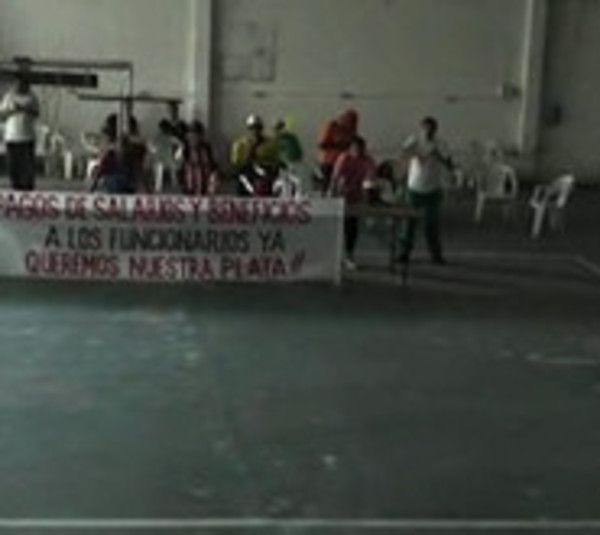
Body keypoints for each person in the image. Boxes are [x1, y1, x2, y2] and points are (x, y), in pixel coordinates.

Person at [398, 117, 453, 265]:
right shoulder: (414, 140)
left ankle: (436, 254)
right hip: (414, 188)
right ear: (421, 128)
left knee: (431, 224)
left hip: (433, 189)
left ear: (435, 130)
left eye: (431, 129)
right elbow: (402, 154)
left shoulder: (441, 143)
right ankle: (404, 252)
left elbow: (449, 164)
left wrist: (437, 155)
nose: (428, 132)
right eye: (425, 129)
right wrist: (412, 153)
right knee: (408, 223)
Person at [330, 136, 376, 271]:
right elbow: (335, 178)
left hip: (356, 198)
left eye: (360, 149)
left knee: (351, 228)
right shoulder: (344, 158)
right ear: (350, 149)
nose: (358, 151)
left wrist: (368, 193)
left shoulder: (368, 160)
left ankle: (349, 255)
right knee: (338, 228)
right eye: (355, 149)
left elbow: (370, 178)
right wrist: (332, 195)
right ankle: (334, 256)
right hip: (341, 196)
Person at [0, 73, 40, 191]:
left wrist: (26, 109)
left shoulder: (32, 97)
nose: (18, 86)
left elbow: (36, 113)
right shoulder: (9, 97)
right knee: (13, 167)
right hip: (12, 137)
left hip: (27, 137)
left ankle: (28, 189)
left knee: (27, 168)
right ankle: (16, 189)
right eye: (16, 84)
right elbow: (2, 116)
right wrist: (12, 111)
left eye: (22, 84)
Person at [231, 114, 279, 196]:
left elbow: (274, 162)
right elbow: (236, 163)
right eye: (252, 128)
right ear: (248, 129)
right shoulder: (240, 144)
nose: (255, 131)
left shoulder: (269, 144)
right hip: (246, 177)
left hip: (264, 179)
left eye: (258, 128)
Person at [318, 109, 359, 190]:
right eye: (349, 121)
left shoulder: (351, 131)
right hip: (329, 162)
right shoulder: (332, 126)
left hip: (345, 163)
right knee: (328, 185)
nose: (351, 124)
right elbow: (322, 145)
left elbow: (355, 143)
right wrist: (340, 145)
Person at [180, 120, 219, 196]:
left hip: (205, 189)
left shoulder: (206, 149)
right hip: (189, 189)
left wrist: (213, 182)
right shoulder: (184, 149)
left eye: (195, 135)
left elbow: (213, 167)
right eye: (190, 135)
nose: (192, 138)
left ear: (200, 136)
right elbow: (179, 168)